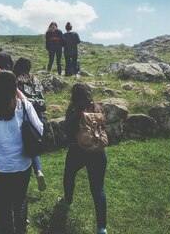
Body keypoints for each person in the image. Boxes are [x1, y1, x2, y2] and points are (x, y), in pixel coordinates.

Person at [0, 71, 43, 234]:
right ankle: (20, 229)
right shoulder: (23, 105)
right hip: (22, 163)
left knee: (3, 200)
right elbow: (40, 128)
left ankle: (6, 229)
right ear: (15, 86)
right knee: (20, 198)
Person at [61, 82, 108, 234]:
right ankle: (102, 227)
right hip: (98, 151)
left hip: (77, 150)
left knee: (69, 175)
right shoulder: (98, 108)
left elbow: (68, 132)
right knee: (98, 189)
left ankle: (68, 200)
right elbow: (103, 127)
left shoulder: (73, 110)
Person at [12, 57, 47, 191]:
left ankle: (24, 174)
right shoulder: (35, 79)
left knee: (26, 144)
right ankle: (38, 171)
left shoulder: (16, 81)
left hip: (25, 116)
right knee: (32, 142)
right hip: (38, 115)